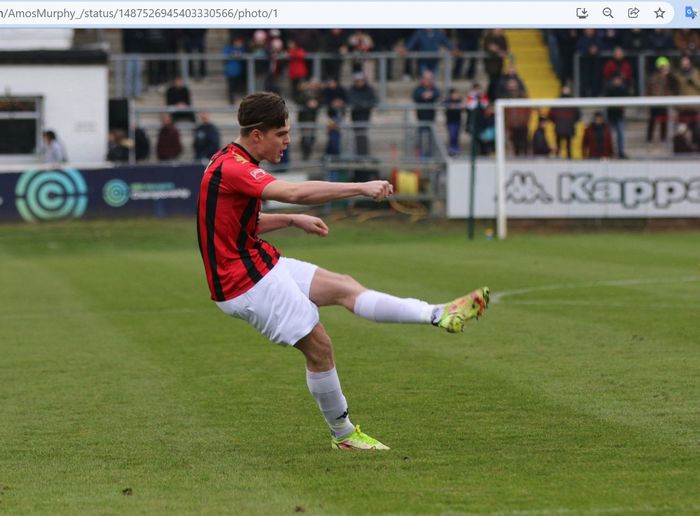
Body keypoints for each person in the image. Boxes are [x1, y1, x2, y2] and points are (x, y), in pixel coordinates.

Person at [196, 92, 490, 451]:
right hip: (244, 282)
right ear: (257, 135)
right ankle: (344, 435)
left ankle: (438, 314)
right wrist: (360, 187)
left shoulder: (230, 161)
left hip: (258, 262)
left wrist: (289, 220)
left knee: (345, 287)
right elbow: (295, 192)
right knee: (319, 347)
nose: (288, 140)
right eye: (281, 133)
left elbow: (237, 223)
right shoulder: (234, 167)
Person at [347, 72, 378, 156]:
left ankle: (363, 154)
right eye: (357, 81)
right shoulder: (352, 90)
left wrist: (364, 105)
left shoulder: (369, 89)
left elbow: (374, 101)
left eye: (361, 81)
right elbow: (351, 101)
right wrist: (363, 104)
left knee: (362, 134)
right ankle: (358, 154)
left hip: (365, 116)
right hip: (355, 116)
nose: (359, 83)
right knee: (357, 135)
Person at [413, 69, 441, 158]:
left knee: (431, 137)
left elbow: (438, 94)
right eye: (426, 79)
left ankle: (430, 154)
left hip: (431, 116)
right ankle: (420, 154)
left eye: (430, 79)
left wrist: (431, 95)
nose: (428, 81)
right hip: (421, 116)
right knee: (420, 136)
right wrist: (423, 95)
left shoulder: (434, 88)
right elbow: (415, 96)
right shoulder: (418, 88)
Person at [548, 85, 580, 159]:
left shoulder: (569, 103)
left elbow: (577, 115)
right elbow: (551, 115)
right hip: (563, 128)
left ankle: (565, 159)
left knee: (567, 146)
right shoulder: (566, 102)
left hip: (564, 128)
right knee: (562, 146)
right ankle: (563, 159)